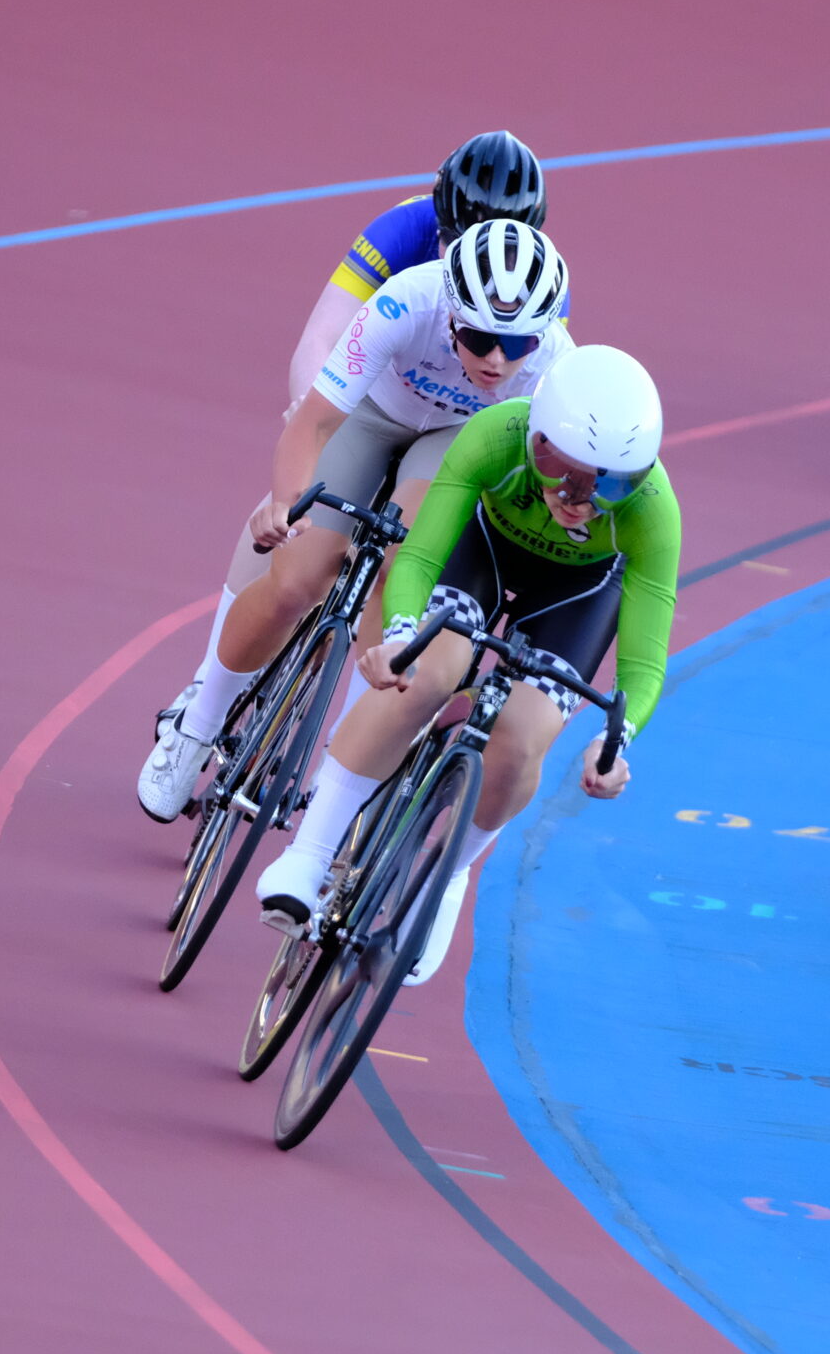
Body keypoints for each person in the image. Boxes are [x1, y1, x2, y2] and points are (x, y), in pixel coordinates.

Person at [250, 344, 680, 986]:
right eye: (561, 470)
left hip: (579, 592)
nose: (579, 500)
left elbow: (643, 662)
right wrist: (400, 635)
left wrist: (616, 741)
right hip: (484, 548)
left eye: (610, 484)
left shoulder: (653, 511)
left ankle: (445, 877)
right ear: (534, 437)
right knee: (425, 673)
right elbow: (421, 557)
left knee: (523, 737)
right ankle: (308, 855)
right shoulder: (495, 435)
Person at [137, 217, 574, 822]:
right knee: (296, 579)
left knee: (401, 566)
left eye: (516, 344)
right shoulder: (408, 302)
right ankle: (197, 724)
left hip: (455, 438)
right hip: (372, 411)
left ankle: (345, 752)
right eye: (478, 339)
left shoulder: (554, 365)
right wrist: (285, 502)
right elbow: (314, 422)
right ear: (451, 315)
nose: (497, 360)